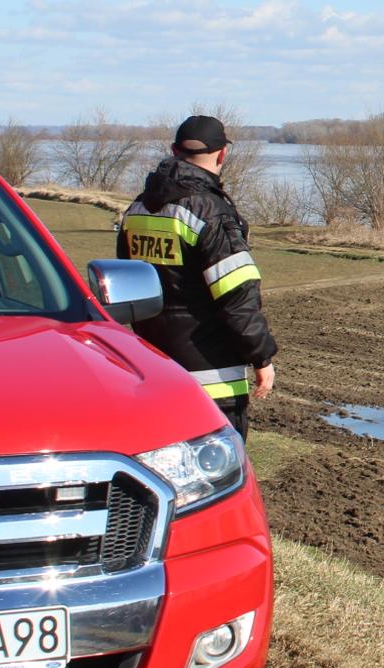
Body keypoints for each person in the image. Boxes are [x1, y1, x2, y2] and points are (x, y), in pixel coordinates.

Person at [118, 115, 277, 438]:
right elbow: (237, 295)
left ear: (174, 151)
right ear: (222, 155)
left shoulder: (137, 209)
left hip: (150, 365)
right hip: (211, 372)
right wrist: (261, 357)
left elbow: (126, 283)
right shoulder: (211, 211)